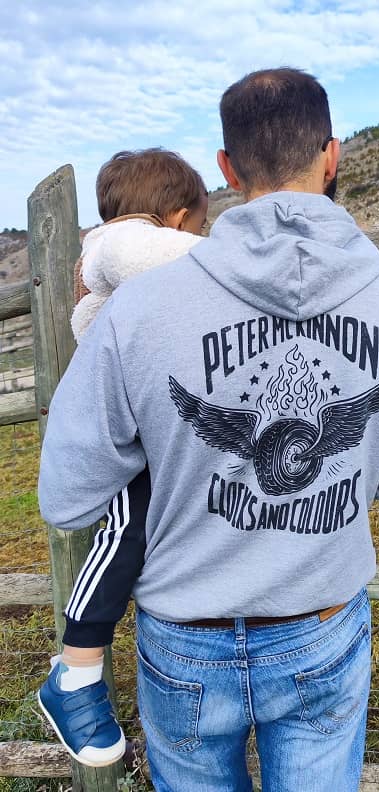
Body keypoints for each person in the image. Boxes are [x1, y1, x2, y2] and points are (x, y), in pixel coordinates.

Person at [38, 67, 379, 792]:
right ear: (332, 155)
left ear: (226, 167)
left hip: (186, 636)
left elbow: (67, 497)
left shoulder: (137, 311)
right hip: (321, 618)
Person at [37, 148, 208, 767]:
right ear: (178, 217)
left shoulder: (121, 254)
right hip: (128, 428)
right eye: (199, 228)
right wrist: (248, 253)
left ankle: (81, 665)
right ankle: (76, 668)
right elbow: (178, 262)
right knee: (125, 529)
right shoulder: (120, 244)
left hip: (150, 415)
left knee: (146, 529)